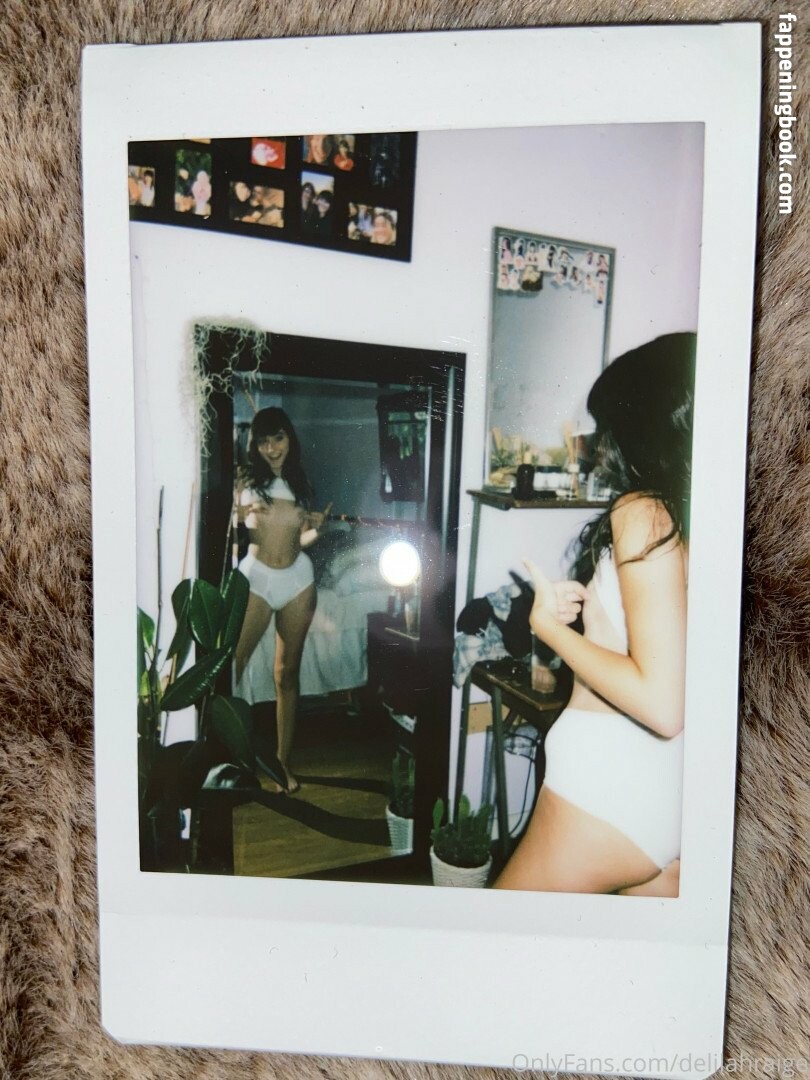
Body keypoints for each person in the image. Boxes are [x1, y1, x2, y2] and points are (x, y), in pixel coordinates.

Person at [494, 333, 695, 896]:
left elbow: (662, 704)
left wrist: (549, 629)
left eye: (610, 423)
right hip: (664, 791)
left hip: (606, 789)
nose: (602, 443)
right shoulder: (700, 517)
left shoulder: (643, 512)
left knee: (487, 942)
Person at [234, 408, 325, 794]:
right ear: (254, 445)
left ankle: (283, 764)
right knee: (232, 668)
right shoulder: (246, 481)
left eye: (279, 438)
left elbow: (298, 540)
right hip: (256, 579)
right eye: (263, 441)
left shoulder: (301, 482)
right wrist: (237, 513)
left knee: (286, 674)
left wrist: (316, 530)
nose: (272, 449)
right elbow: (240, 535)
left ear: (290, 438)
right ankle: (232, 761)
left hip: (298, 581)